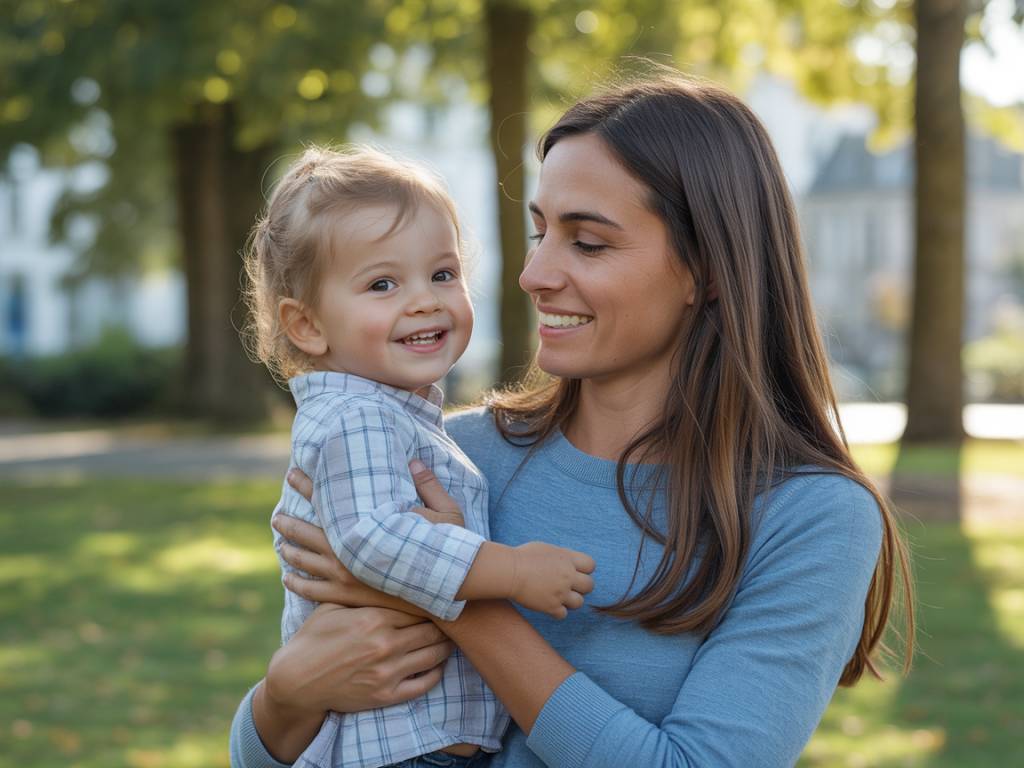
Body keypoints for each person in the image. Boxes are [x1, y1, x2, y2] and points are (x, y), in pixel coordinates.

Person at [232, 73, 914, 768]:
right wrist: (284, 696)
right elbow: (284, 742)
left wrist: (453, 598)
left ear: (707, 270)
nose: (533, 274)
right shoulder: (448, 456)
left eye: (587, 243)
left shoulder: (809, 515)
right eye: (540, 232)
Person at [241, 145, 596, 768]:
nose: (426, 301)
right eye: (383, 284)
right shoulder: (357, 418)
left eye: (443, 274)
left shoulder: (395, 416)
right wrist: (513, 571)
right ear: (307, 326)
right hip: (399, 746)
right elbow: (374, 539)